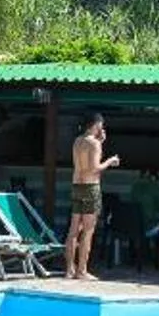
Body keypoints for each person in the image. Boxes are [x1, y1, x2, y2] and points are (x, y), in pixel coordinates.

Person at [65, 113, 118, 280]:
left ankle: (69, 270)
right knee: (88, 230)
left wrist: (100, 143)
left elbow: (84, 162)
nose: (102, 129)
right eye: (101, 125)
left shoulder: (77, 141)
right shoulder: (94, 144)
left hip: (77, 186)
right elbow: (94, 168)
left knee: (73, 230)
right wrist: (110, 161)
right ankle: (82, 271)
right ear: (95, 125)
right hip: (90, 187)